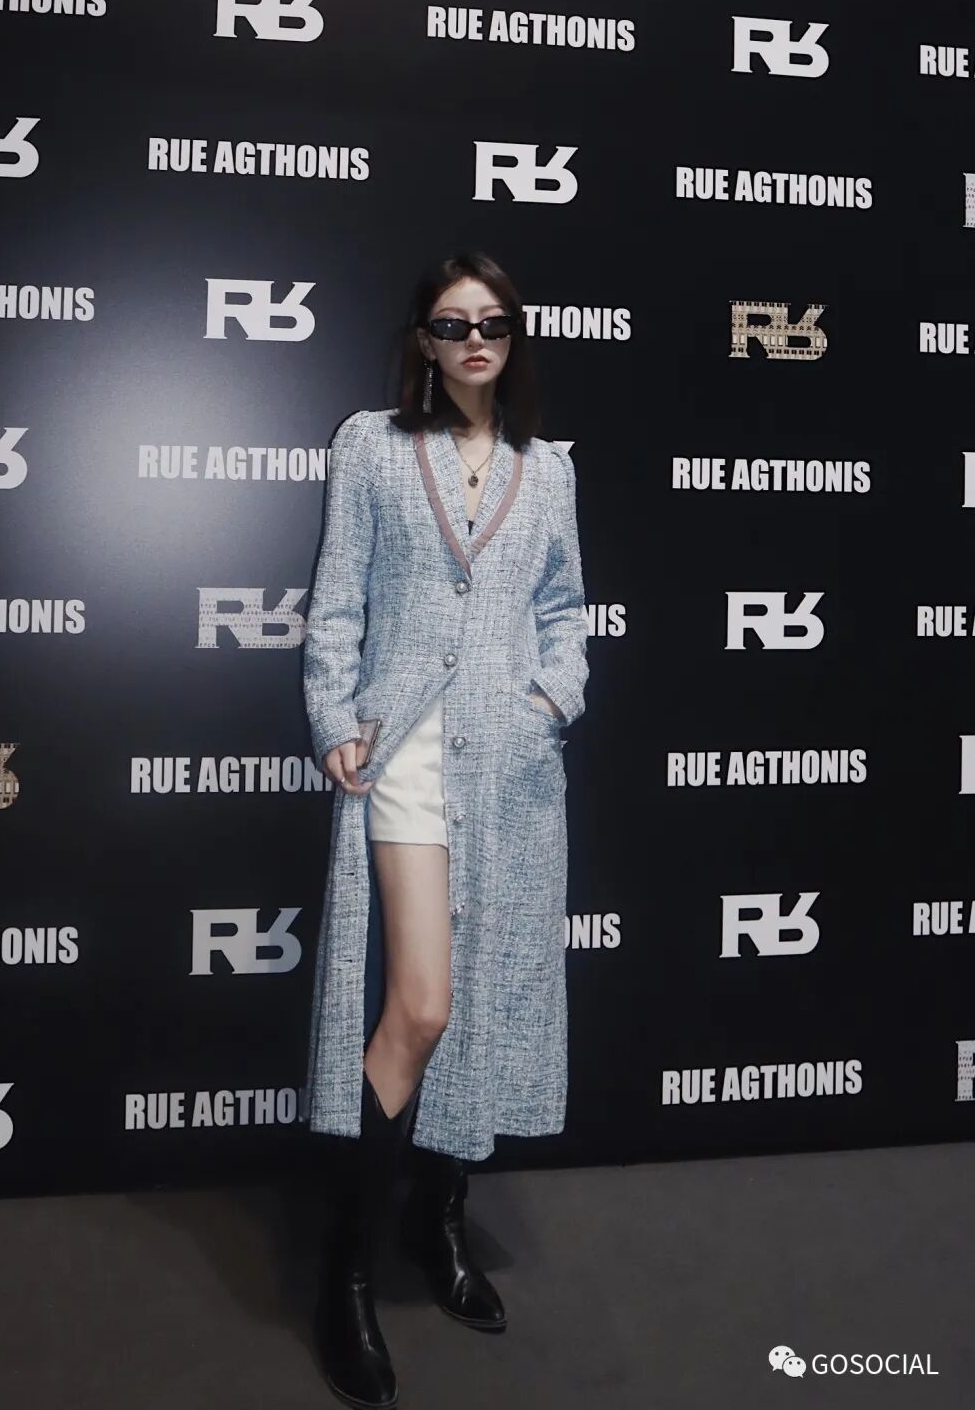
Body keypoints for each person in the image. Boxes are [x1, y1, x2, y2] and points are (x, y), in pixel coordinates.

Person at [302, 250, 589, 1409]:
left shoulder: (546, 471)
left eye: (495, 322)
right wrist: (334, 718)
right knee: (419, 1004)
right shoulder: (372, 447)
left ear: (514, 337)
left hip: (511, 769)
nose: (477, 339)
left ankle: (441, 1222)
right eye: (454, 323)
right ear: (424, 340)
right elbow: (338, 599)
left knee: (479, 1004)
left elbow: (565, 613)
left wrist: (550, 702)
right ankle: (346, 1273)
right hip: (409, 756)